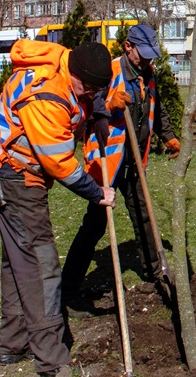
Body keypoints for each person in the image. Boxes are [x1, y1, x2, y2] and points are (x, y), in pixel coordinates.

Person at [0, 38, 116, 377]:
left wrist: (97, 115)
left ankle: (13, 344)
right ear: (77, 75)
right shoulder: (46, 95)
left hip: (12, 170)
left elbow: (85, 97)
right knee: (42, 265)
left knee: (18, 260)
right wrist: (97, 192)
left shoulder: (70, 65)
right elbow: (58, 163)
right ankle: (52, 360)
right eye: (88, 90)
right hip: (12, 174)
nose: (90, 95)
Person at [62, 23, 180, 306]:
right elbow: (83, 109)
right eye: (144, 53)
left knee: (144, 216)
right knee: (95, 225)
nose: (149, 59)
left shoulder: (147, 74)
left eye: (152, 54)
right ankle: (68, 289)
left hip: (135, 160)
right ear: (128, 47)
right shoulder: (109, 71)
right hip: (109, 164)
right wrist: (108, 105)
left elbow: (157, 107)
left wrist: (169, 136)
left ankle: (155, 271)